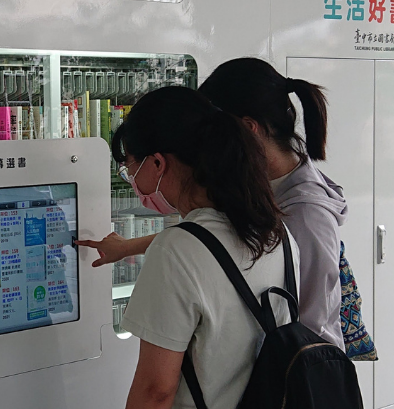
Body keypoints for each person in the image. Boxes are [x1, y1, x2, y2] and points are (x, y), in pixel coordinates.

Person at [78, 57, 347, 350]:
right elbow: (219, 234)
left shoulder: (305, 214)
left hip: (298, 380)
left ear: (248, 128)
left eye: (216, 130)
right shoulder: (258, 186)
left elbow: (312, 323)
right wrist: (128, 247)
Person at [90, 86, 300, 409]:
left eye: (130, 167)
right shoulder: (278, 234)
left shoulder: (175, 252)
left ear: (158, 163)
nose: (131, 179)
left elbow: (155, 392)